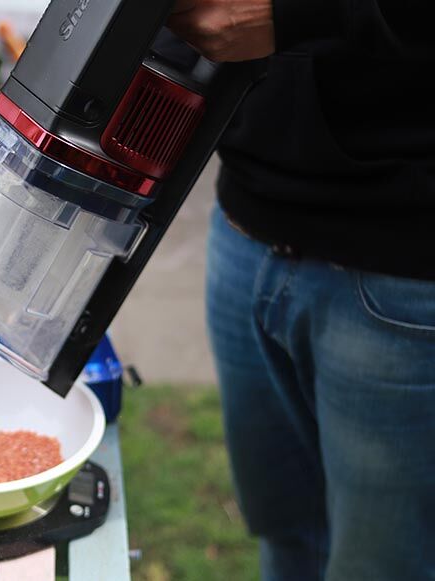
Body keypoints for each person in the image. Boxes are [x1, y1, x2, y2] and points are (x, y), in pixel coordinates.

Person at [168, 1, 435, 580]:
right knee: (286, 535)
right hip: (245, 223)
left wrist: (293, 12)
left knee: (383, 567)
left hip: (404, 269)